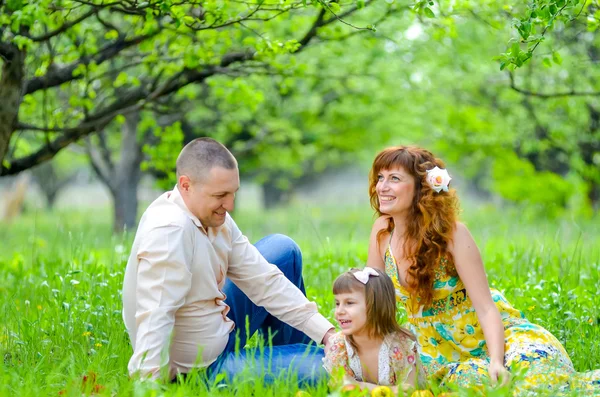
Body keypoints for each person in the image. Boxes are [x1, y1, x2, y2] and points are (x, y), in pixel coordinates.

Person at [365, 146, 600, 395]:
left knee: (532, 381)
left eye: (394, 179)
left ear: (421, 188)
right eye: (380, 178)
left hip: (493, 339)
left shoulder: (452, 235)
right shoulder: (382, 232)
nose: (382, 187)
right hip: (435, 352)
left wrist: (497, 361)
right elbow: (374, 302)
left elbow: (486, 308)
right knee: (468, 385)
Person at [122, 138, 335, 384]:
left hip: (217, 323)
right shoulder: (170, 231)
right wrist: (148, 385)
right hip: (197, 370)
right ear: (186, 185)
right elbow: (156, 315)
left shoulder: (212, 215)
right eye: (221, 195)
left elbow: (263, 279)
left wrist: (327, 334)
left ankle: (302, 352)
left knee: (282, 249)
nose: (230, 205)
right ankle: (309, 364)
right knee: (334, 369)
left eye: (233, 193)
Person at [323, 267, 426, 394]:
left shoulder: (399, 347)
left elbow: (408, 391)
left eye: (349, 303)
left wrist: (360, 386)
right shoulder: (340, 347)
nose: (339, 311)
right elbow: (338, 388)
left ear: (376, 306)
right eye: (337, 303)